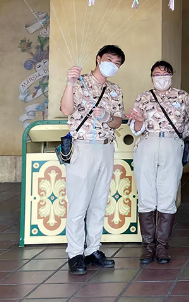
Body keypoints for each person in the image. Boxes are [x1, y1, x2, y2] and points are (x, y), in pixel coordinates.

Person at [60, 45, 125, 275]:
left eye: (117, 63)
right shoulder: (79, 82)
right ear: (98, 59)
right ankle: (75, 253)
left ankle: (93, 249)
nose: (112, 65)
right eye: (109, 59)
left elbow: (118, 120)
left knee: (99, 202)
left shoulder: (115, 90)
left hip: (106, 148)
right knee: (79, 203)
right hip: (83, 147)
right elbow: (66, 109)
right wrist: (69, 82)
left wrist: (108, 118)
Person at [125, 61, 189, 265]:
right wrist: (137, 120)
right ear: (151, 76)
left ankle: (162, 246)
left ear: (172, 75)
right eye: (157, 73)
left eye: (165, 73)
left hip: (172, 143)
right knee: (146, 195)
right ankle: (148, 247)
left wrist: (187, 146)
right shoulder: (143, 98)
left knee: (168, 194)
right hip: (147, 143)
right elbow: (135, 128)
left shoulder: (183, 96)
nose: (161, 76)